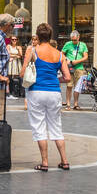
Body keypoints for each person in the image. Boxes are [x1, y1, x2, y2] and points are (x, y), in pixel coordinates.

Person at [23, 23, 70, 171]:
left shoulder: (32, 50)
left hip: (36, 91)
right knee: (56, 127)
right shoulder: (59, 54)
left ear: (37, 36)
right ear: (50, 36)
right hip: (54, 92)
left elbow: (22, 73)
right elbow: (67, 77)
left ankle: (44, 162)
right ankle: (64, 161)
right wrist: (57, 80)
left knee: (39, 127)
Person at [60, 30, 88, 110]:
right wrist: (67, 59)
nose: (73, 41)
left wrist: (76, 61)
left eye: (75, 40)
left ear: (78, 37)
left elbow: (85, 57)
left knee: (77, 87)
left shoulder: (83, 45)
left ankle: (76, 104)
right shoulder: (68, 44)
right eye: (72, 40)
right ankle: (68, 104)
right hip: (69, 68)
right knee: (69, 86)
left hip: (79, 68)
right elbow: (61, 54)